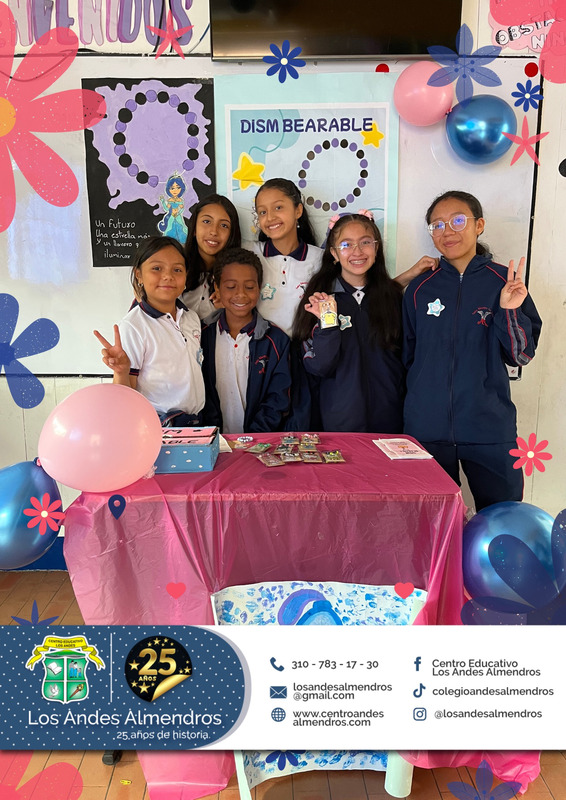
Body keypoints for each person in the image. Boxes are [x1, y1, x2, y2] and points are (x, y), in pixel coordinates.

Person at [403, 190, 542, 510]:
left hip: (488, 426)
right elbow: (408, 357)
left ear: (479, 225)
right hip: (426, 428)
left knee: (503, 518)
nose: (447, 231)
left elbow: (521, 355)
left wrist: (509, 310)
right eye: (437, 225)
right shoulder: (420, 289)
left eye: (458, 220)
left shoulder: (504, 283)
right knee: (430, 522)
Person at [292, 211, 405, 433]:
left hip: (390, 420)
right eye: (346, 244)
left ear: (377, 247)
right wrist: (328, 322)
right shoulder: (321, 299)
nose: (357, 251)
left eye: (365, 242)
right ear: (334, 253)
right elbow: (319, 366)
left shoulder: (393, 298)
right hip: (338, 422)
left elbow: (406, 358)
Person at [94, 236, 205, 426]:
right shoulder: (134, 326)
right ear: (139, 275)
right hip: (159, 425)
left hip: (195, 422)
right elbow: (125, 396)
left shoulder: (191, 318)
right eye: (157, 268)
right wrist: (121, 372)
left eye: (177, 270)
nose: (168, 276)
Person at [201, 247, 291, 433]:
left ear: (259, 287)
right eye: (230, 287)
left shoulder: (276, 341)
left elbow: (278, 398)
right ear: (217, 287)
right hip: (212, 441)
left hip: (259, 442)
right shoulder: (200, 336)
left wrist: (254, 439)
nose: (241, 294)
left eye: (249, 287)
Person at [245, 178, 324, 337]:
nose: (270, 217)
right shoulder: (249, 253)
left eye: (278, 207)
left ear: (298, 211)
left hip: (304, 347)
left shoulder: (320, 258)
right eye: (262, 212)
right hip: (261, 347)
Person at [182, 194, 241, 319]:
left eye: (224, 225)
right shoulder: (176, 267)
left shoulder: (238, 275)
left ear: (231, 234)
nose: (214, 231)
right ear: (194, 228)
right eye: (207, 221)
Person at [158, 175, 188, 245]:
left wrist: (178, 212)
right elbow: (166, 208)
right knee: (169, 228)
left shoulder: (180, 200)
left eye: (178, 188)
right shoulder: (169, 200)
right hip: (171, 216)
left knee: (181, 227)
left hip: (178, 216)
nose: (175, 190)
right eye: (172, 188)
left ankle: (182, 240)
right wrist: (163, 201)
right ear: (168, 189)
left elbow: (182, 209)